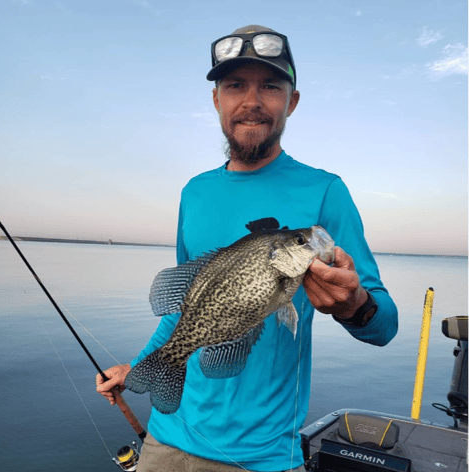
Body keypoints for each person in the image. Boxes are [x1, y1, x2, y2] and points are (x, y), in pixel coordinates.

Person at [96, 25, 398, 472]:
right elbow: (185, 309)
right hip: (165, 437)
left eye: (270, 86)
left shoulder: (325, 191)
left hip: (259, 457)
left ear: (291, 102)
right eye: (235, 85)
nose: (252, 101)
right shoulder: (194, 193)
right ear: (217, 99)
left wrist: (354, 303)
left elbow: (383, 327)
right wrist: (139, 367)